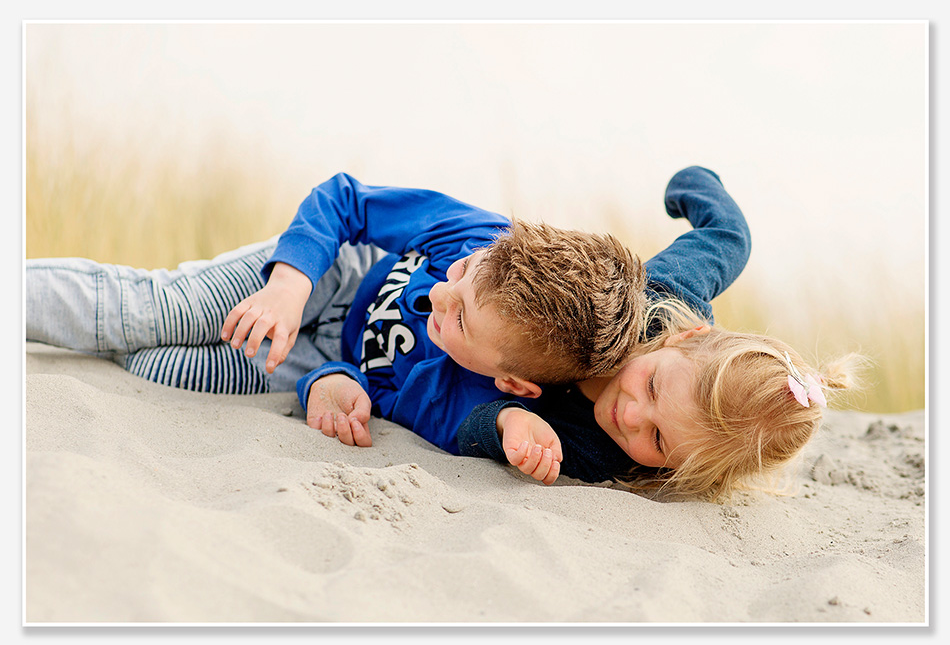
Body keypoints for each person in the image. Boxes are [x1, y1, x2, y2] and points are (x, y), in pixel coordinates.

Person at [26, 172, 645, 454]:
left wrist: (332, 383)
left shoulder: (466, 402)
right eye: (458, 276)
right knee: (151, 312)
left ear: (511, 382)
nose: (438, 296)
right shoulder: (480, 235)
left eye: (460, 322)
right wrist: (289, 286)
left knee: (155, 366)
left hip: (312, 360)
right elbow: (344, 199)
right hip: (322, 279)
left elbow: (375, 392)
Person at [458, 296, 864, 500]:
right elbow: (721, 243)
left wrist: (508, 421)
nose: (631, 415)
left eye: (657, 438)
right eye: (652, 386)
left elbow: (465, 433)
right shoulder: (646, 305)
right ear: (686, 337)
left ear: (680, 468)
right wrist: (700, 189)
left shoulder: (595, 450)